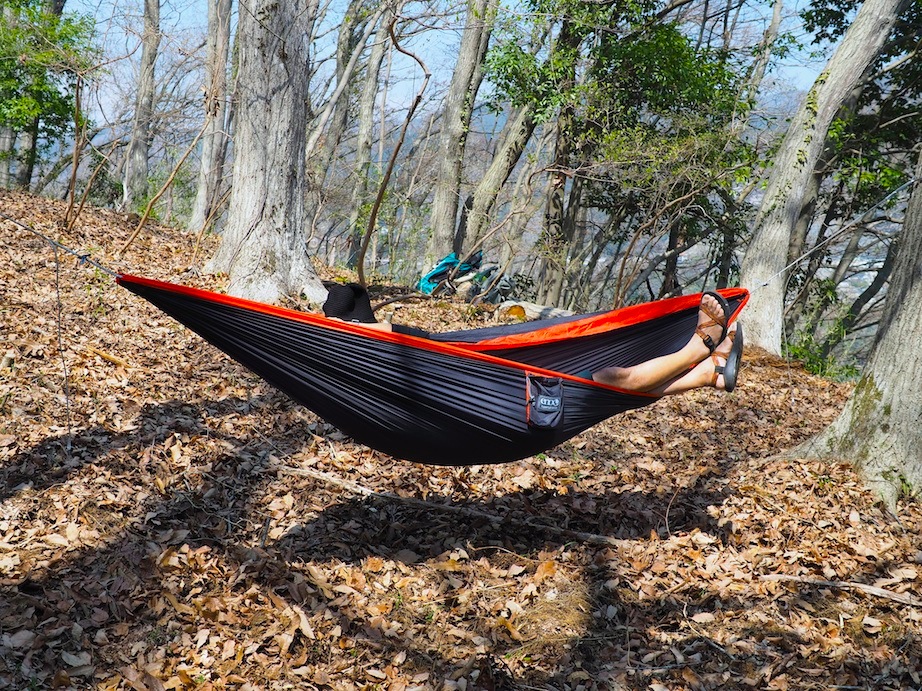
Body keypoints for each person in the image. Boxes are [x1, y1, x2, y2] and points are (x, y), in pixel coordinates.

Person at [323, 283, 744, 394]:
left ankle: (709, 373)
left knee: (610, 381)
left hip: (505, 374)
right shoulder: (382, 364)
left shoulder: (401, 341)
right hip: (505, 397)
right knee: (610, 382)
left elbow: (377, 331)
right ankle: (699, 354)